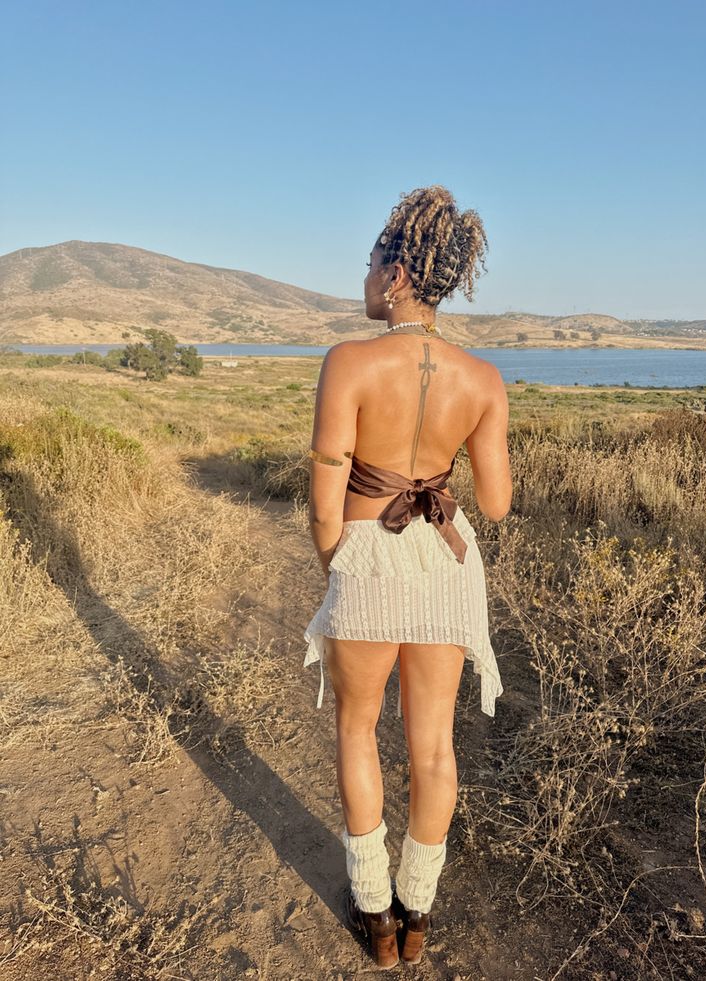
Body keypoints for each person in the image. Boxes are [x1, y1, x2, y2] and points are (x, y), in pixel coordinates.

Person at [303, 185, 512, 969]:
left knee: (358, 729)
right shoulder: (483, 377)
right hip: (447, 558)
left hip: (370, 555)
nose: (362, 278)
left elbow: (327, 508)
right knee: (434, 746)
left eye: (368, 263)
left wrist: (342, 571)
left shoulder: (347, 362)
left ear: (395, 272)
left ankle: (377, 920)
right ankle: (417, 911)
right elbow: (493, 502)